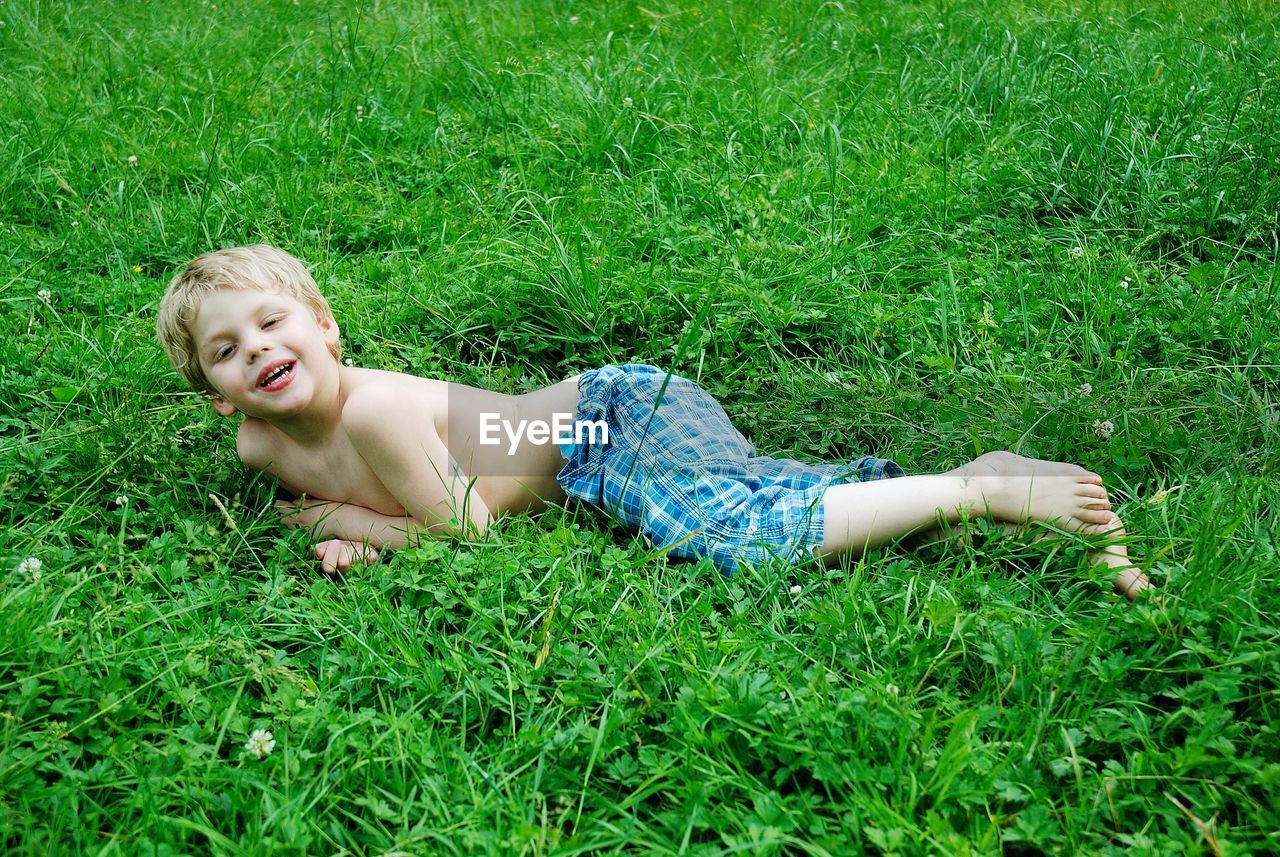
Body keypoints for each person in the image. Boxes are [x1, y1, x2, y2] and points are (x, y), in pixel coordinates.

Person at [156, 245, 1152, 600]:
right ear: (218, 394)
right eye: (227, 350)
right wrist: (348, 525)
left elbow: (461, 529)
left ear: (327, 328)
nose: (256, 350)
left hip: (608, 421)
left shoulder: (370, 408)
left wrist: (337, 525)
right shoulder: (258, 442)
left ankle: (975, 491)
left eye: (273, 321)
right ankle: (978, 471)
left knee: (730, 535)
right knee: (754, 497)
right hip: (594, 430)